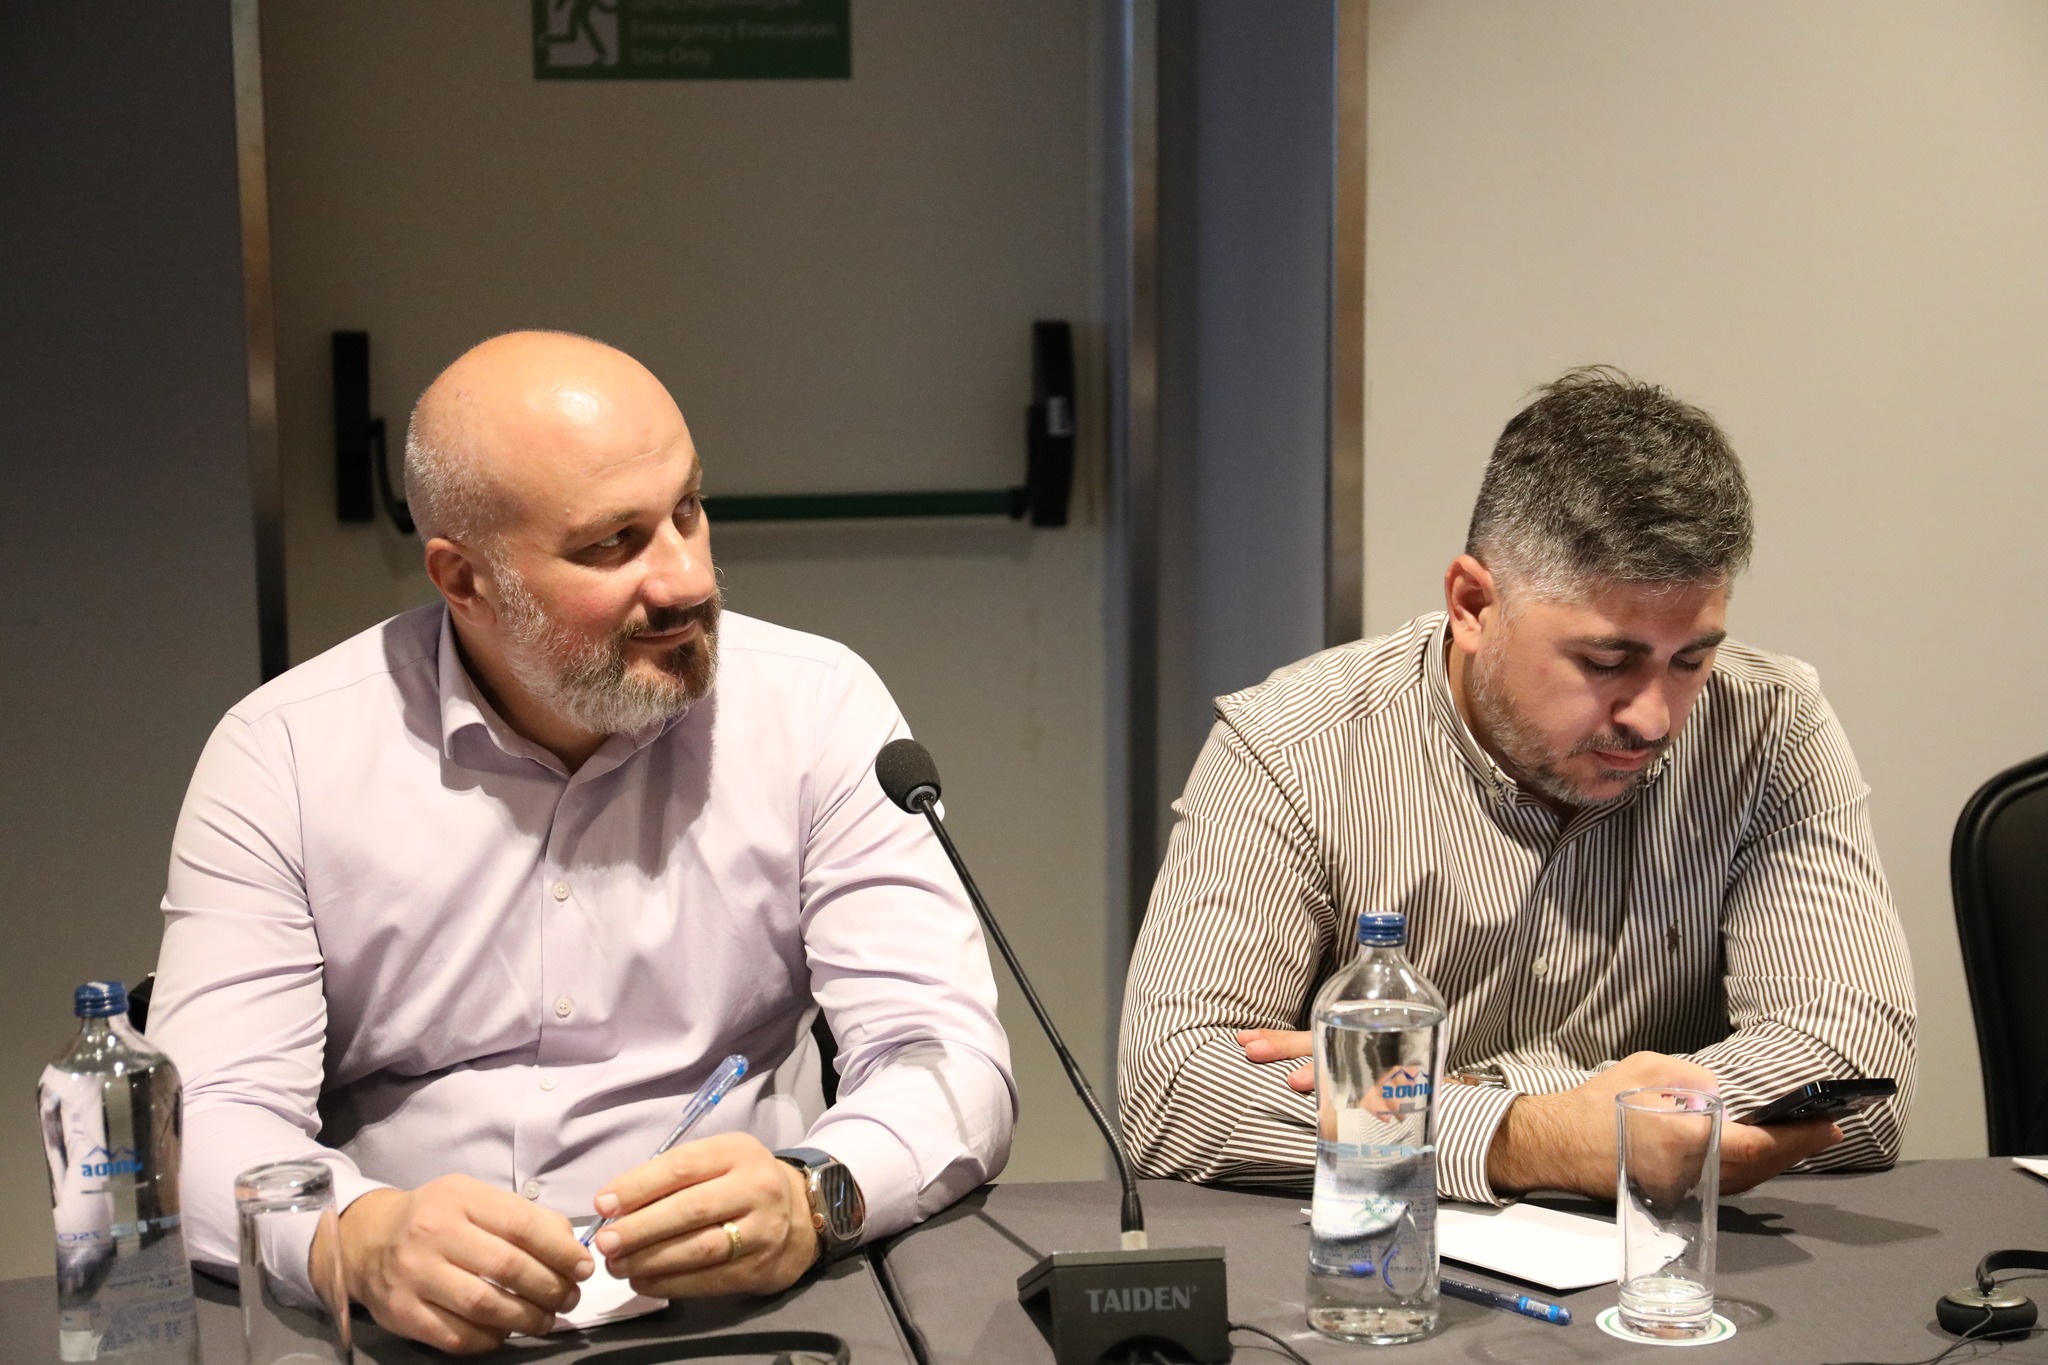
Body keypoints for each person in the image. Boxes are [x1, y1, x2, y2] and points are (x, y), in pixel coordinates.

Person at [148, 331, 1015, 1353]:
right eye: (614, 543)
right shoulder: (286, 754)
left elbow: (942, 1054)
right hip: (412, 1331)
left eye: (688, 510)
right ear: (463, 579)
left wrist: (816, 1193)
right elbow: (204, 1116)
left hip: (741, 1315)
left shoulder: (817, 711)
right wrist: (352, 1237)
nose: (687, 579)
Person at [1117, 367, 1914, 1207]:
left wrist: (1442, 1096)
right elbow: (1174, 1089)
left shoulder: (1770, 727)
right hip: (1383, 1257)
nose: (1653, 716)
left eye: (1691, 659)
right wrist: (1535, 1133)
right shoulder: (1295, 743)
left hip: (1667, 1263)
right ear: (1472, 603)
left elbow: (1855, 1073)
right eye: (1606, 661)